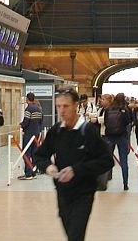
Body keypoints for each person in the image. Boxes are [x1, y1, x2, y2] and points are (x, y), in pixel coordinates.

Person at [33, 89, 114, 241]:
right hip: (63, 193)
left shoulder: (88, 131)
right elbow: (39, 155)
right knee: (70, 233)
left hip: (83, 192)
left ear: (76, 105)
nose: (62, 111)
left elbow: (106, 160)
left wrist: (76, 170)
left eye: (66, 106)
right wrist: (48, 167)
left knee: (75, 236)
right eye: (58, 106)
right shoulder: (56, 131)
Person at [103, 93, 132, 190]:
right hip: (121, 137)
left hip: (109, 137)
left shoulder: (108, 110)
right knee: (123, 161)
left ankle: (105, 180)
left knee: (107, 159)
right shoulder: (124, 110)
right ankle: (125, 184)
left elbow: (106, 122)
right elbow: (128, 123)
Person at [18, 92, 43, 180]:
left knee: (26, 153)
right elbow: (40, 122)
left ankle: (28, 173)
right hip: (36, 133)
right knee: (34, 153)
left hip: (29, 133)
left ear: (27, 99)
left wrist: (21, 125)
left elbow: (26, 121)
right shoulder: (38, 109)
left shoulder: (28, 109)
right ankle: (34, 172)